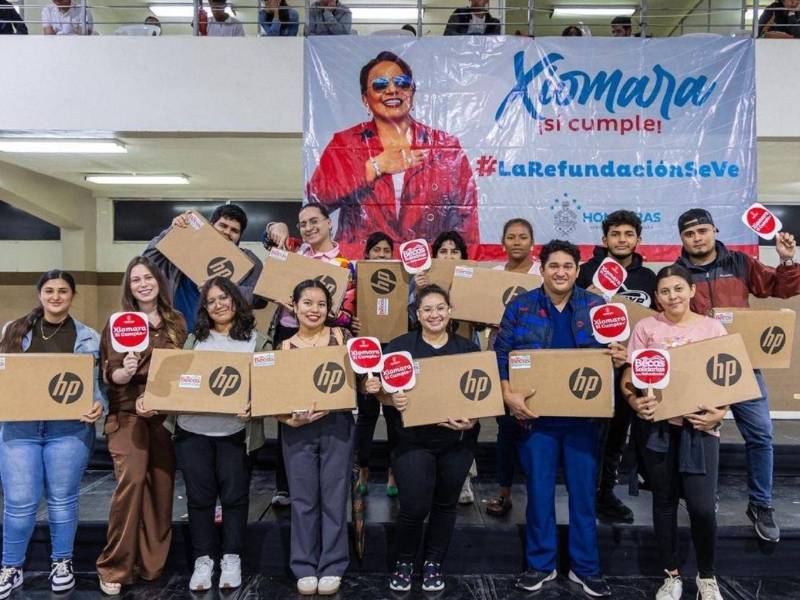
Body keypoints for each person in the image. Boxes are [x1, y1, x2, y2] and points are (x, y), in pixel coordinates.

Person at [495, 240, 627, 597]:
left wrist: (619, 355)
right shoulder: (521, 306)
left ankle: (586, 568)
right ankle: (541, 565)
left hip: (584, 420)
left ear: (577, 270)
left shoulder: (596, 307)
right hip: (536, 419)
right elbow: (501, 353)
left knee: (583, 496)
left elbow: (613, 354)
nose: (560, 272)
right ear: (542, 269)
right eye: (553, 265)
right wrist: (507, 393)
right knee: (539, 495)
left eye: (568, 266)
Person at [674, 208, 798, 544]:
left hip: (743, 362)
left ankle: (761, 504)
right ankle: (703, 498)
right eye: (689, 234)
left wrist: (786, 260)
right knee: (701, 433)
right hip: (698, 366)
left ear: (714, 230)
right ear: (682, 238)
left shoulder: (741, 263)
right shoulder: (678, 273)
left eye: (702, 231)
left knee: (761, 433)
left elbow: (782, 288)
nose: (697, 238)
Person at [622, 264, 731, 600]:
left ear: (692, 290)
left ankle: (707, 577)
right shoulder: (646, 328)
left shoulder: (712, 328)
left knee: (702, 508)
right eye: (665, 291)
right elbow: (629, 377)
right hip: (657, 430)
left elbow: (727, 377)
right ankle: (671, 576)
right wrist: (635, 402)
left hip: (700, 429)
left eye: (679, 289)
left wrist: (721, 412)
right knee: (665, 502)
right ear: (657, 296)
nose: (673, 296)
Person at [306, 51, 480, 257]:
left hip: (426, 264)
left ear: (411, 93)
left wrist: (460, 268)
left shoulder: (445, 146)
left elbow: (465, 220)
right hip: (361, 262)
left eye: (402, 83)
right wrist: (371, 170)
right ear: (365, 99)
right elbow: (316, 202)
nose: (392, 90)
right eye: (380, 85)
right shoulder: (345, 144)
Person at [0, 271, 105, 598]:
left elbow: (98, 387)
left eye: (62, 291)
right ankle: (11, 566)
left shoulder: (89, 337)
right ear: (40, 294)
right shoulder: (13, 330)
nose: (56, 296)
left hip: (68, 429)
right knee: (19, 502)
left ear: (72, 295)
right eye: (49, 290)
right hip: (20, 428)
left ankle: (62, 563)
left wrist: (99, 405)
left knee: (62, 500)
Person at [95, 257, 188, 595]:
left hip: (164, 416)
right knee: (131, 483)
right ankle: (114, 567)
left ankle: (151, 565)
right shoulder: (118, 322)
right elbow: (110, 374)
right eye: (136, 280)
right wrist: (127, 371)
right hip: (127, 415)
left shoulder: (176, 322)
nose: (143, 284)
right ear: (129, 287)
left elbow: (183, 369)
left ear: (159, 282)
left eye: (148, 278)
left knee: (161, 488)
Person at [171, 276, 269, 592]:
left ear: (236, 300)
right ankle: (203, 561)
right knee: (199, 498)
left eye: (223, 298)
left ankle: (231, 558)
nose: (218, 305)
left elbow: (270, 387)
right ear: (204, 308)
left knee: (234, 498)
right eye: (211, 301)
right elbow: (179, 380)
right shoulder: (194, 339)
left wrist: (255, 405)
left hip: (235, 432)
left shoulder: (257, 341)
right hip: (192, 430)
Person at [382, 284, 479, 593]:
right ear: (417, 314)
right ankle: (404, 562)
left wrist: (474, 417)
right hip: (412, 441)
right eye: (427, 309)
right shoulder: (400, 348)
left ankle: (434, 563)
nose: (434, 314)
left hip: (457, 443)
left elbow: (481, 394)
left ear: (450, 312)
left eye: (440, 308)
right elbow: (381, 392)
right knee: (413, 506)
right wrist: (390, 397)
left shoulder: (468, 349)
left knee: (445, 504)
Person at [264, 202, 357, 507]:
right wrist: (274, 227)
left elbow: (347, 313)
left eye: (314, 221)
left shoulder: (344, 265)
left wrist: (315, 310)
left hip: (325, 339)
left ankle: (330, 481)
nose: (308, 228)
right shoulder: (294, 250)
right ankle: (285, 486)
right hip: (287, 335)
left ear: (329, 223)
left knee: (324, 403)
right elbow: (270, 237)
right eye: (302, 223)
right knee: (287, 409)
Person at [576, 210, 657, 524]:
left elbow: (654, 325)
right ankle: (584, 494)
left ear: (638, 239)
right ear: (604, 239)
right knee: (588, 436)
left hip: (627, 369)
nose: (622, 240)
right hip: (591, 367)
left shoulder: (648, 278)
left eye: (628, 234)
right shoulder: (586, 272)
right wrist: (585, 299)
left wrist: (633, 355)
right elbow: (569, 316)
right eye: (615, 234)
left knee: (616, 436)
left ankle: (606, 494)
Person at [277, 280, 356, 596]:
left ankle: (333, 565)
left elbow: (361, 377)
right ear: (294, 306)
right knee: (303, 499)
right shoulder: (283, 347)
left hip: (337, 425)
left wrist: (371, 383)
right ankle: (305, 566)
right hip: (297, 429)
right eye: (307, 303)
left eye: (321, 304)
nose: (314, 310)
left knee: (334, 498)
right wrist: (289, 419)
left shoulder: (343, 338)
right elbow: (273, 398)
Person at [484, 218, 540, 518]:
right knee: (505, 429)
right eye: (511, 237)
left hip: (537, 359)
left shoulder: (542, 273)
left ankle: (538, 494)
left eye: (523, 237)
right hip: (501, 356)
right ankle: (504, 492)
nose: (517, 242)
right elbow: (477, 315)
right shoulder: (494, 275)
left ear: (532, 242)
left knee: (536, 428)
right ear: (503, 242)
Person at [143, 203, 265, 332]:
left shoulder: (249, 262)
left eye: (234, 230)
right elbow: (148, 258)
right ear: (210, 225)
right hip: (177, 333)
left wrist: (224, 288)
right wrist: (173, 231)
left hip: (223, 337)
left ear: (240, 236)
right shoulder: (184, 249)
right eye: (223, 226)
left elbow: (259, 300)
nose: (227, 232)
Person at [353, 232, 401, 498]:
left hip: (395, 349)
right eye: (376, 250)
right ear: (367, 253)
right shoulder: (355, 277)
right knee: (367, 414)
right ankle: (363, 470)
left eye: (386, 250)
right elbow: (344, 311)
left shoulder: (403, 279)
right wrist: (351, 320)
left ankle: (394, 472)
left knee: (394, 415)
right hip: (366, 350)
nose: (381, 255)